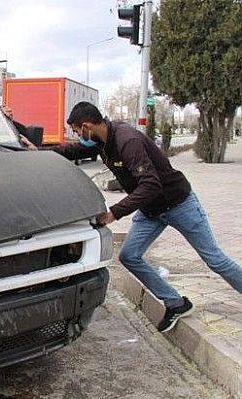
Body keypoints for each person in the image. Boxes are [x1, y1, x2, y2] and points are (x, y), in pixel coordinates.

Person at [20, 101, 242, 333]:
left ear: (86, 126)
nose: (77, 135)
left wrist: (114, 213)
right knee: (129, 256)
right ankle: (175, 303)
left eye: (77, 130)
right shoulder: (101, 141)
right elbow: (73, 150)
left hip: (179, 204)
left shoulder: (127, 141)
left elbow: (150, 185)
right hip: (151, 210)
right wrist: (40, 151)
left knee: (215, 259)